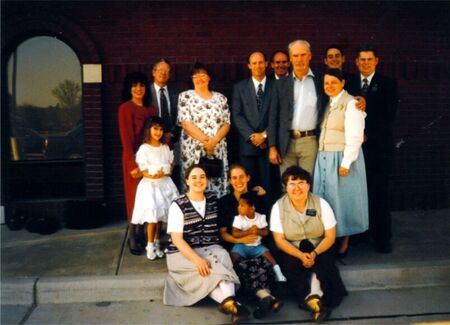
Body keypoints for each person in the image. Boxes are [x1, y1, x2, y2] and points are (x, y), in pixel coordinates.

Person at [164, 164, 249, 324]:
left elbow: (236, 202)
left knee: (222, 258)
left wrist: (254, 192)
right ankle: (235, 304)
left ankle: (231, 305)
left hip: (210, 247)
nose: (199, 180)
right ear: (187, 181)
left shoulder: (212, 199)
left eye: (202, 177)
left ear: (207, 180)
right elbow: (177, 240)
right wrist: (197, 260)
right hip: (182, 253)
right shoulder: (178, 205)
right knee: (207, 273)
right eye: (194, 177)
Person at [270, 165, 347, 323]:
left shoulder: (321, 203)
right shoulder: (278, 207)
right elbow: (279, 239)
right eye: (292, 183)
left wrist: (314, 253)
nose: (297, 188)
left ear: (309, 185)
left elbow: (330, 236)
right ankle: (314, 302)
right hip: (293, 247)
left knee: (324, 263)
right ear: (285, 186)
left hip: (320, 245)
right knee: (290, 265)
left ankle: (314, 299)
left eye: (301, 183)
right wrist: (300, 255)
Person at [345, 46, 398, 253]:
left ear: (376, 61)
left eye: (369, 59)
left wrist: (368, 132)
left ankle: (382, 238)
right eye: (362, 60)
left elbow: (389, 114)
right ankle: (360, 234)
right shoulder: (349, 83)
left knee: (379, 194)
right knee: (357, 193)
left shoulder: (388, 84)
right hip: (355, 148)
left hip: (378, 148)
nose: (366, 63)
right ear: (356, 62)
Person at [312, 69, 369, 258]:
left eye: (333, 82)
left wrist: (346, 163)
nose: (329, 86)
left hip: (341, 158)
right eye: (326, 83)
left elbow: (355, 136)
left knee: (343, 200)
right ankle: (329, 238)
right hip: (324, 156)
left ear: (343, 82)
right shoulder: (328, 104)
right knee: (326, 198)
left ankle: (344, 241)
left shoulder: (352, 104)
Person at [218, 163, 283, 319]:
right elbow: (223, 234)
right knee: (241, 265)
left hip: (257, 243)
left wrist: (254, 236)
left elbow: (266, 227)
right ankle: (266, 297)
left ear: (248, 178)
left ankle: (264, 298)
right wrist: (240, 238)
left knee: (263, 262)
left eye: (241, 177)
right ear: (229, 181)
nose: (238, 181)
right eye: (234, 178)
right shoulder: (224, 202)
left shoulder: (258, 200)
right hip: (234, 243)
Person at [268, 40, 327, 176]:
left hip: (310, 142)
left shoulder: (321, 80)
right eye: (295, 56)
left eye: (303, 55)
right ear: (290, 58)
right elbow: (273, 117)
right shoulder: (280, 84)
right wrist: (272, 147)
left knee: (308, 182)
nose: (299, 59)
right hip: (285, 143)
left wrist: (358, 99)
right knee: (287, 184)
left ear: (310, 56)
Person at [118, 72, 157, 255]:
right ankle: (132, 237)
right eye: (134, 85)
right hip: (133, 159)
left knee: (148, 199)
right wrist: (132, 164)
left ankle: (143, 234)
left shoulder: (151, 110)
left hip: (151, 160)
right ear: (129, 88)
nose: (138, 89)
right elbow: (126, 140)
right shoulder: (126, 109)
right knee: (134, 200)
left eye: (141, 85)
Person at [178, 62, 230, 197]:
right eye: (195, 76)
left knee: (216, 183)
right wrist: (207, 142)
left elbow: (227, 124)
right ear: (191, 79)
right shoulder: (185, 97)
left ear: (209, 78)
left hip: (217, 149)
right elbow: (186, 124)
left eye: (202, 75)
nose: (199, 79)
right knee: (195, 183)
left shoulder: (221, 98)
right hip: (194, 151)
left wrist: (214, 142)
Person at [130, 116, 179, 260]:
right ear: (148, 130)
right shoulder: (144, 149)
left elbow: (169, 169)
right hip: (150, 186)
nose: (158, 132)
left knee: (161, 218)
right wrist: (154, 175)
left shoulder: (165, 148)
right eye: (155, 129)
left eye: (161, 129)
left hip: (164, 185)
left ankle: (157, 243)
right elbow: (144, 171)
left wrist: (167, 170)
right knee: (152, 217)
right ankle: (149, 245)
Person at [232, 51, 274, 199]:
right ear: (249, 66)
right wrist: (253, 137)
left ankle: (267, 220)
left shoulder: (276, 85)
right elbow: (237, 116)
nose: (258, 66)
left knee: (269, 188)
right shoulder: (240, 87)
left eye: (261, 62)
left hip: (269, 146)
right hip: (248, 147)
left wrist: (264, 136)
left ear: (266, 64)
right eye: (254, 63)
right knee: (248, 189)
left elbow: (279, 116)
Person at [230, 191, 287, 282]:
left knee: (269, 255)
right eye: (239, 205)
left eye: (242, 206)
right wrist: (248, 231)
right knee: (233, 255)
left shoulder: (261, 218)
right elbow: (235, 233)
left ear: (252, 208)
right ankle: (231, 274)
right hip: (242, 245)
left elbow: (266, 232)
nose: (239, 208)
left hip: (257, 245)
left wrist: (258, 231)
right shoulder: (239, 218)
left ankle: (278, 273)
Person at [149, 58, 181, 189]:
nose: (163, 73)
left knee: (174, 177)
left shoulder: (177, 93)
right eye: (160, 70)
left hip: (173, 142)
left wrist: (171, 134)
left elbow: (180, 116)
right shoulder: (147, 93)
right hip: (153, 143)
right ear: (153, 72)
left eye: (167, 71)